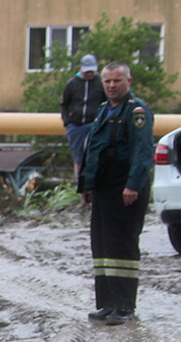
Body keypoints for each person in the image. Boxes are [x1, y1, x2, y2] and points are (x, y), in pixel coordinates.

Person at [79, 61, 154, 326]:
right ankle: (107, 304)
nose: (112, 86)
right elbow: (94, 149)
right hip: (103, 188)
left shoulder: (136, 111)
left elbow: (143, 152)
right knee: (102, 247)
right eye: (108, 81)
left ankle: (124, 307)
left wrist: (133, 184)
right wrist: (87, 185)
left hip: (126, 189)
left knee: (121, 246)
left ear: (128, 82)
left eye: (117, 81)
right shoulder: (103, 111)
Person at [62, 54, 107, 179]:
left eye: (92, 71)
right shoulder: (72, 84)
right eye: (87, 71)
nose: (89, 74)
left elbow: (106, 102)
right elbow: (64, 104)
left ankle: (94, 184)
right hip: (76, 125)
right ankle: (81, 185)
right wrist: (68, 122)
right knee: (78, 158)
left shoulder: (100, 83)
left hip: (94, 124)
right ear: (80, 68)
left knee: (93, 154)